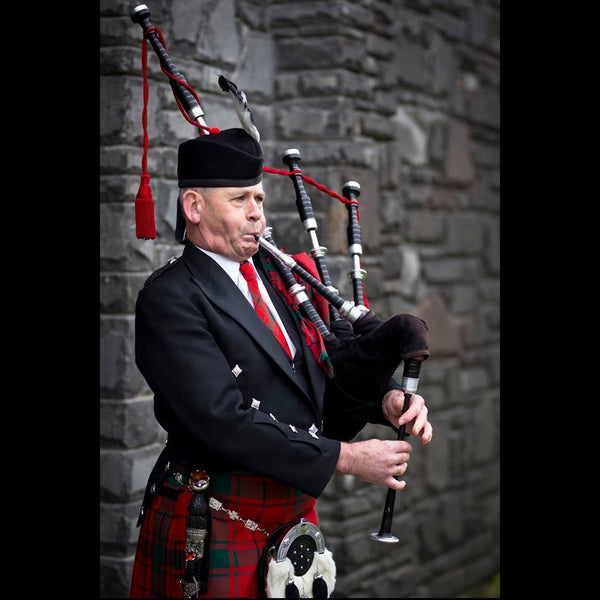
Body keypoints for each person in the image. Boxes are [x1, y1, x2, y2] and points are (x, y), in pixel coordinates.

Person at [129, 128, 433, 599]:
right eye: (239, 199)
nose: (257, 214)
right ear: (194, 207)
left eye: (259, 198)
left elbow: (317, 367)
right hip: (214, 516)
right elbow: (223, 420)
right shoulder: (170, 297)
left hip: (289, 517)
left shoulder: (278, 277)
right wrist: (347, 458)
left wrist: (386, 399)